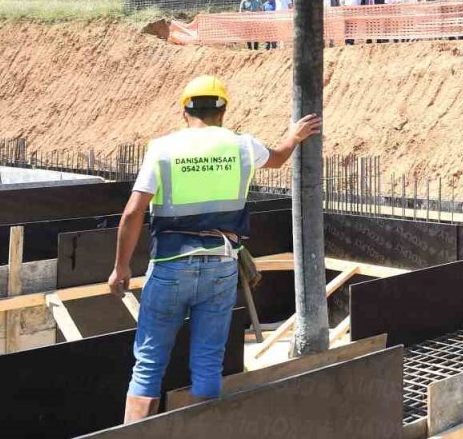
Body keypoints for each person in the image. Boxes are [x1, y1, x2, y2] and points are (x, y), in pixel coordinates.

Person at [109, 76, 322, 423]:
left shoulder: (162, 148)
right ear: (223, 109)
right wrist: (295, 135)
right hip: (221, 264)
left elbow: (133, 212)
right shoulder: (242, 146)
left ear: (184, 110)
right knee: (208, 361)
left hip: (170, 265)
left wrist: (121, 267)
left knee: (148, 363)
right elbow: (279, 157)